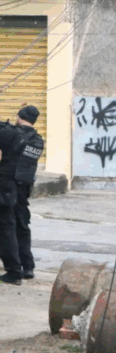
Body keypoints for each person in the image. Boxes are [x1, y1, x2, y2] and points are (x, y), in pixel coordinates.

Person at [13, 106, 44, 280]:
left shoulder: (15, 136)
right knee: (21, 227)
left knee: (11, 226)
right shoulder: (38, 141)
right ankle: (27, 266)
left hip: (11, 187)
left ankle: (18, 266)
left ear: (20, 117)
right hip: (23, 189)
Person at [0, 115, 26, 285]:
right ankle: (15, 270)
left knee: (6, 230)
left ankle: (14, 271)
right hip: (9, 185)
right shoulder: (10, 131)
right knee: (7, 229)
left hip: (2, 185)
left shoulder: (2, 133)